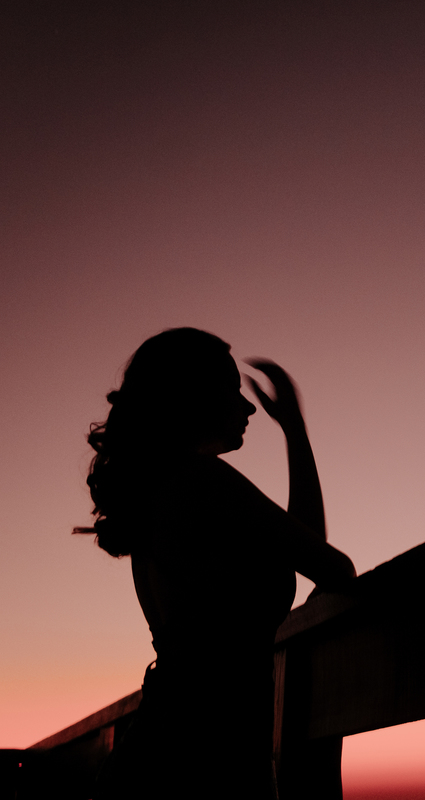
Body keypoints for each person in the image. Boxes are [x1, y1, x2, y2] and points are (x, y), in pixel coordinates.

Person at [74, 327, 356, 799]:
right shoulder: (200, 480)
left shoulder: (167, 489)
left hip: (173, 757)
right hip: (200, 767)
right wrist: (295, 430)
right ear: (191, 395)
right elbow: (331, 566)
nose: (247, 407)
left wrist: (294, 432)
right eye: (231, 389)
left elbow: (304, 547)